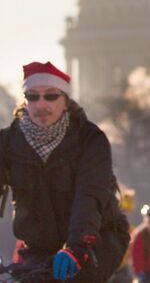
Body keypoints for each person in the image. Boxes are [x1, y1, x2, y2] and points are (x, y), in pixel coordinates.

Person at [0, 61, 130, 281]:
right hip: (39, 247)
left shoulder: (89, 140)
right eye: (33, 96)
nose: (41, 104)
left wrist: (76, 248)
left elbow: (88, 199)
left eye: (51, 96)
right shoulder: (7, 142)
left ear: (66, 101)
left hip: (95, 241)